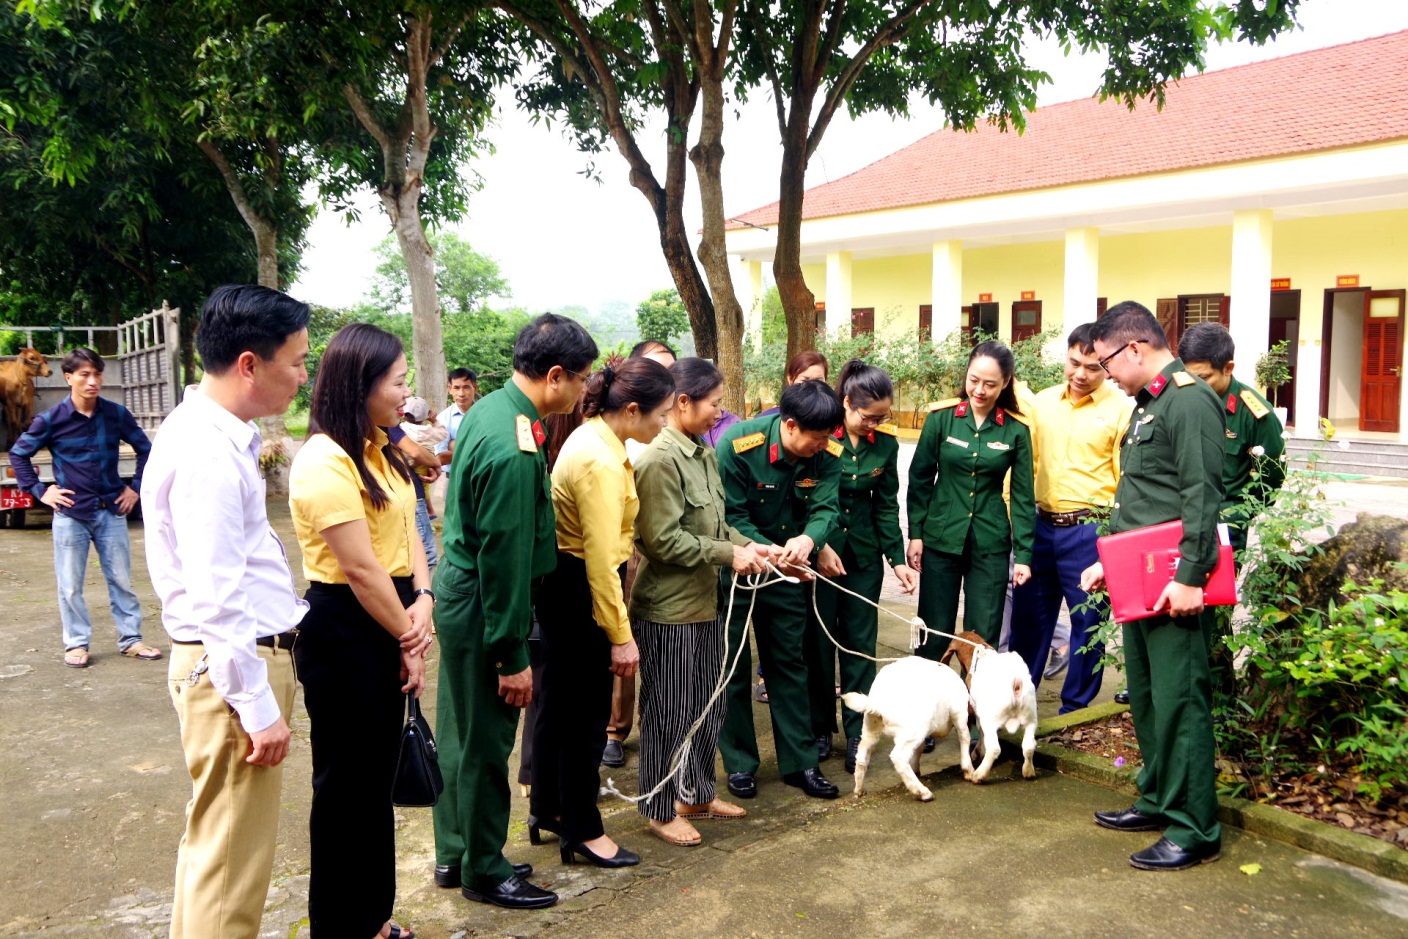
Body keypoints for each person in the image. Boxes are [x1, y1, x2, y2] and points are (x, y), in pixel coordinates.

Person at [141, 283, 310, 939]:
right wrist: (256, 703)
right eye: (294, 360)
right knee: (232, 866)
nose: (301, 375)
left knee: (215, 852)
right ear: (249, 363)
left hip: (230, 665)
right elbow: (217, 593)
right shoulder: (209, 451)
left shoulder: (214, 434)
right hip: (232, 669)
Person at [433, 313, 597, 910]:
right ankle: (483, 867)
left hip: (463, 594)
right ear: (555, 376)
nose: (583, 391)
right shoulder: (514, 446)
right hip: (486, 604)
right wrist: (511, 654)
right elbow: (503, 558)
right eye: (580, 379)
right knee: (484, 743)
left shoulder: (495, 412)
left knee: (459, 731)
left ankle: (456, 850)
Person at [287, 324, 435, 939]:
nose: (406, 393)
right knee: (345, 788)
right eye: (397, 381)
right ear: (360, 384)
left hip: (395, 610)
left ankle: (373, 916)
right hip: (348, 629)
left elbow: (412, 534)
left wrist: (424, 598)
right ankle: (340, 926)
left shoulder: (383, 448)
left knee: (375, 784)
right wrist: (409, 636)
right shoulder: (323, 460)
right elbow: (358, 567)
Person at [1081, 301, 1225, 872]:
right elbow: (1143, 499)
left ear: (1134, 348)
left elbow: (1200, 496)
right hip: (1138, 577)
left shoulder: (1188, 400)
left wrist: (1192, 577)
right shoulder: (1149, 404)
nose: (1106, 374)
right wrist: (1105, 561)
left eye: (1108, 362)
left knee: (1181, 699)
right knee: (1147, 695)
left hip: (1174, 583)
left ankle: (1195, 827)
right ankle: (1160, 798)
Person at [531, 355, 674, 868]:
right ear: (632, 410)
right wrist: (620, 634)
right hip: (581, 590)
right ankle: (582, 828)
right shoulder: (600, 460)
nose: (664, 423)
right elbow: (600, 562)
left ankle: (548, 808)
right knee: (586, 717)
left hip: (567, 586)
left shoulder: (594, 438)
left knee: (558, 707)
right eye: (660, 414)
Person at [631, 357, 771, 846]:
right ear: (683, 402)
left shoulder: (701, 451)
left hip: (706, 603)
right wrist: (728, 554)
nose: (720, 411)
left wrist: (749, 546)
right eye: (713, 402)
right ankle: (659, 804)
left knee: (710, 704)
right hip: (668, 610)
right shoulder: (657, 460)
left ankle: (695, 791)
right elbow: (662, 540)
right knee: (668, 710)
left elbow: (716, 523)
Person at [716, 379, 845, 801]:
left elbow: (826, 506)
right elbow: (729, 514)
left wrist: (811, 540)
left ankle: (800, 762)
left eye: (828, 438)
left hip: (787, 572)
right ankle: (740, 764)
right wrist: (762, 548)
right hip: (738, 569)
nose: (822, 445)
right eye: (816, 437)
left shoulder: (827, 453)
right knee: (733, 665)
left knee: (789, 664)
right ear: (789, 426)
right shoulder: (739, 445)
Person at [1009, 324, 1134, 714]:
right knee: (1029, 621)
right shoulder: (1042, 404)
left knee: (1087, 625)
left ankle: (1073, 711)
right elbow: (1022, 466)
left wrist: (1112, 540)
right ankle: (1018, 704)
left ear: (1108, 368)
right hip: (1041, 527)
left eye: (1093, 367)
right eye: (1074, 363)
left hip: (1090, 531)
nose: (1080, 374)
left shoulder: (1122, 410)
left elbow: (1126, 480)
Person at [10, 347, 158, 668]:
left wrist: (135, 490)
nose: (92, 381)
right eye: (84, 375)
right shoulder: (51, 420)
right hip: (71, 514)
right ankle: (76, 643)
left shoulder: (116, 414)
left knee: (121, 578)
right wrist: (40, 491)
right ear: (69, 378)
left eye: (97, 374)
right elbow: (19, 454)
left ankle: (131, 639)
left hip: (111, 510)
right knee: (70, 583)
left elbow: (148, 451)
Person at [809, 360, 917, 774]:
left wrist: (897, 559)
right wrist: (816, 544)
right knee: (819, 646)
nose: (875, 424)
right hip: (822, 556)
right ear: (846, 402)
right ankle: (821, 727)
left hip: (864, 559)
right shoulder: (823, 436)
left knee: (859, 645)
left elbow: (885, 507)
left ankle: (858, 728)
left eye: (882, 417)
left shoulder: (885, 445)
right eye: (868, 416)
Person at [907, 340, 1035, 662]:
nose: (979, 389)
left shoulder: (1016, 430)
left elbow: (1022, 496)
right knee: (934, 629)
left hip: (990, 543)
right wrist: (916, 534)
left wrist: (1024, 555)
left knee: (983, 635)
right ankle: (931, 706)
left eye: (990, 384)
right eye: (974, 380)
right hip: (941, 536)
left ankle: (975, 710)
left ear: (1005, 383)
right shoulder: (942, 418)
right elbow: (920, 478)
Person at [601, 339, 679, 769]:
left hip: (665, 543)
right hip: (628, 544)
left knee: (659, 643)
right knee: (623, 634)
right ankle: (615, 727)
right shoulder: (615, 437)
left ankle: (660, 729)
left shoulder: (671, 424)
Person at [1177, 323, 1287, 553]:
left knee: (1219, 588)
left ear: (1228, 368)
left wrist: (1238, 513)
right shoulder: (1181, 399)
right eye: (1189, 377)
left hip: (1224, 524)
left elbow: (1272, 475)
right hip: (1177, 517)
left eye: (1203, 377)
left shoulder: (1255, 413)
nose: (1194, 385)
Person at [387, 395, 443, 570]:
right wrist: (435, 463)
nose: (405, 392)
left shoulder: (400, 428)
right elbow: (416, 452)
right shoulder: (392, 427)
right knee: (427, 554)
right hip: (409, 488)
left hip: (410, 486)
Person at [435, 367, 479, 465]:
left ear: (475, 388)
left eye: (466, 387)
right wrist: (477, 449)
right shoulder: (443, 419)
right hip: (451, 477)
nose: (461, 394)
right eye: (456, 388)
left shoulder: (485, 414)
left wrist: (456, 447)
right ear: (450, 389)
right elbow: (441, 457)